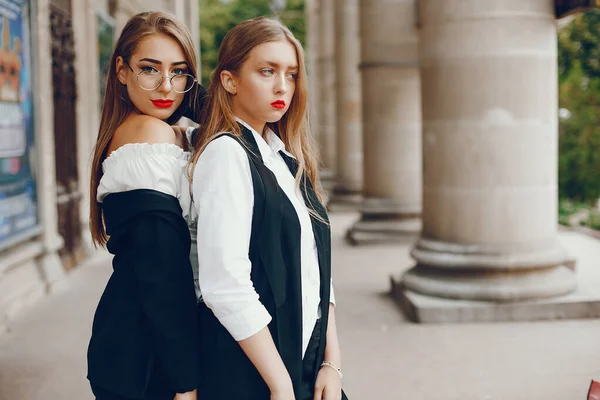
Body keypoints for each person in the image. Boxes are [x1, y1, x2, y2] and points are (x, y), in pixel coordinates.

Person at [189, 17, 348, 400]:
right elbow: (225, 285)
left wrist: (331, 362)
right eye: (267, 71)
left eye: (291, 74)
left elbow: (315, 270)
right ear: (229, 80)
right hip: (255, 371)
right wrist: (281, 385)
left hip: (305, 363)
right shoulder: (227, 153)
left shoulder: (286, 156)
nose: (282, 86)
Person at [87, 11, 201, 400]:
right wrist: (186, 382)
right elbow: (162, 274)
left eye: (180, 71)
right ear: (121, 70)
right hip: (148, 358)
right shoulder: (149, 135)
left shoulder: (159, 130)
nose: (167, 86)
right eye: (149, 69)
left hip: (134, 345)